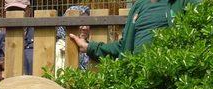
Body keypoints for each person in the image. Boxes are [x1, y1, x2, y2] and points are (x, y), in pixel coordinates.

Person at [68, 0, 200, 60]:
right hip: (138, 77)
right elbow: (124, 47)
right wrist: (89, 47)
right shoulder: (138, 7)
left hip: (170, 73)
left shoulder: (183, 2)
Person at [0, 0, 34, 83]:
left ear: (29, 11)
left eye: (20, 10)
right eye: (11, 10)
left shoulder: (38, 36)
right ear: (5, 13)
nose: (15, 14)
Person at [55, 5, 91, 72]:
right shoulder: (59, 49)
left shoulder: (91, 48)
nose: (85, 28)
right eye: (81, 23)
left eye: (87, 23)